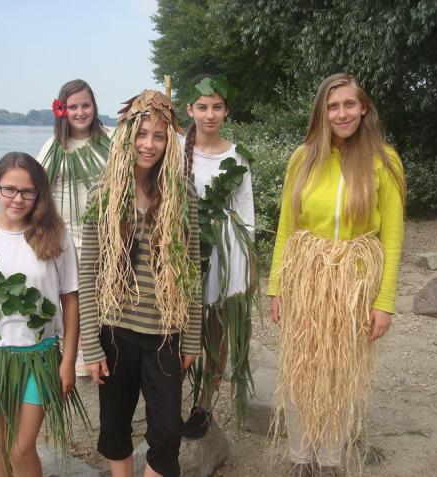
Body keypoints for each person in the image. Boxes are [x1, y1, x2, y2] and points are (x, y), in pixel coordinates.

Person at [267, 73, 406, 477]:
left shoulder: (385, 161)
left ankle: (329, 462)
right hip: (306, 276)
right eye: (332, 106)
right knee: (300, 369)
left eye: (349, 104)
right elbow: (286, 227)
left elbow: (393, 237)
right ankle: (300, 458)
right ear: (321, 113)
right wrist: (277, 286)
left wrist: (384, 302)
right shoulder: (303, 157)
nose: (341, 113)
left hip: (355, 279)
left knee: (338, 372)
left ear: (364, 108)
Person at [79, 90, 202, 477]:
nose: (149, 144)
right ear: (127, 136)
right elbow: (88, 272)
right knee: (115, 425)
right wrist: (90, 342)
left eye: (160, 136)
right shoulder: (104, 194)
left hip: (165, 332)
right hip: (115, 330)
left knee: (166, 434)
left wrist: (193, 337)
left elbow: (193, 266)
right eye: (142, 133)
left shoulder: (183, 195)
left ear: (171, 143)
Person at [0, 152, 85, 477]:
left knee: (21, 448)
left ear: (39, 193)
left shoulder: (55, 237)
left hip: (38, 357)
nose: (18, 198)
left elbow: (71, 302)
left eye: (28, 191)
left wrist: (68, 361)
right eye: (10, 189)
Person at [180, 75, 256, 438]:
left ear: (226, 110)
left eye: (217, 107)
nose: (210, 114)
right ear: (190, 109)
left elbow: (247, 213)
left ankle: (204, 403)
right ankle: (165, 401)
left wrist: (249, 266)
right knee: (176, 328)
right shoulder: (176, 148)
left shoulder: (237, 154)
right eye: (203, 107)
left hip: (226, 252)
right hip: (184, 247)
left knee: (216, 331)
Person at [37, 79, 110, 377]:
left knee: (102, 292)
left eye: (85, 105)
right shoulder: (53, 148)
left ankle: (102, 346)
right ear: (62, 110)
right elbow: (38, 187)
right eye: (73, 107)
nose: (80, 112)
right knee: (73, 295)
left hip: (104, 231)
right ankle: (76, 352)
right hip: (67, 234)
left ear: (94, 106)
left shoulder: (111, 138)